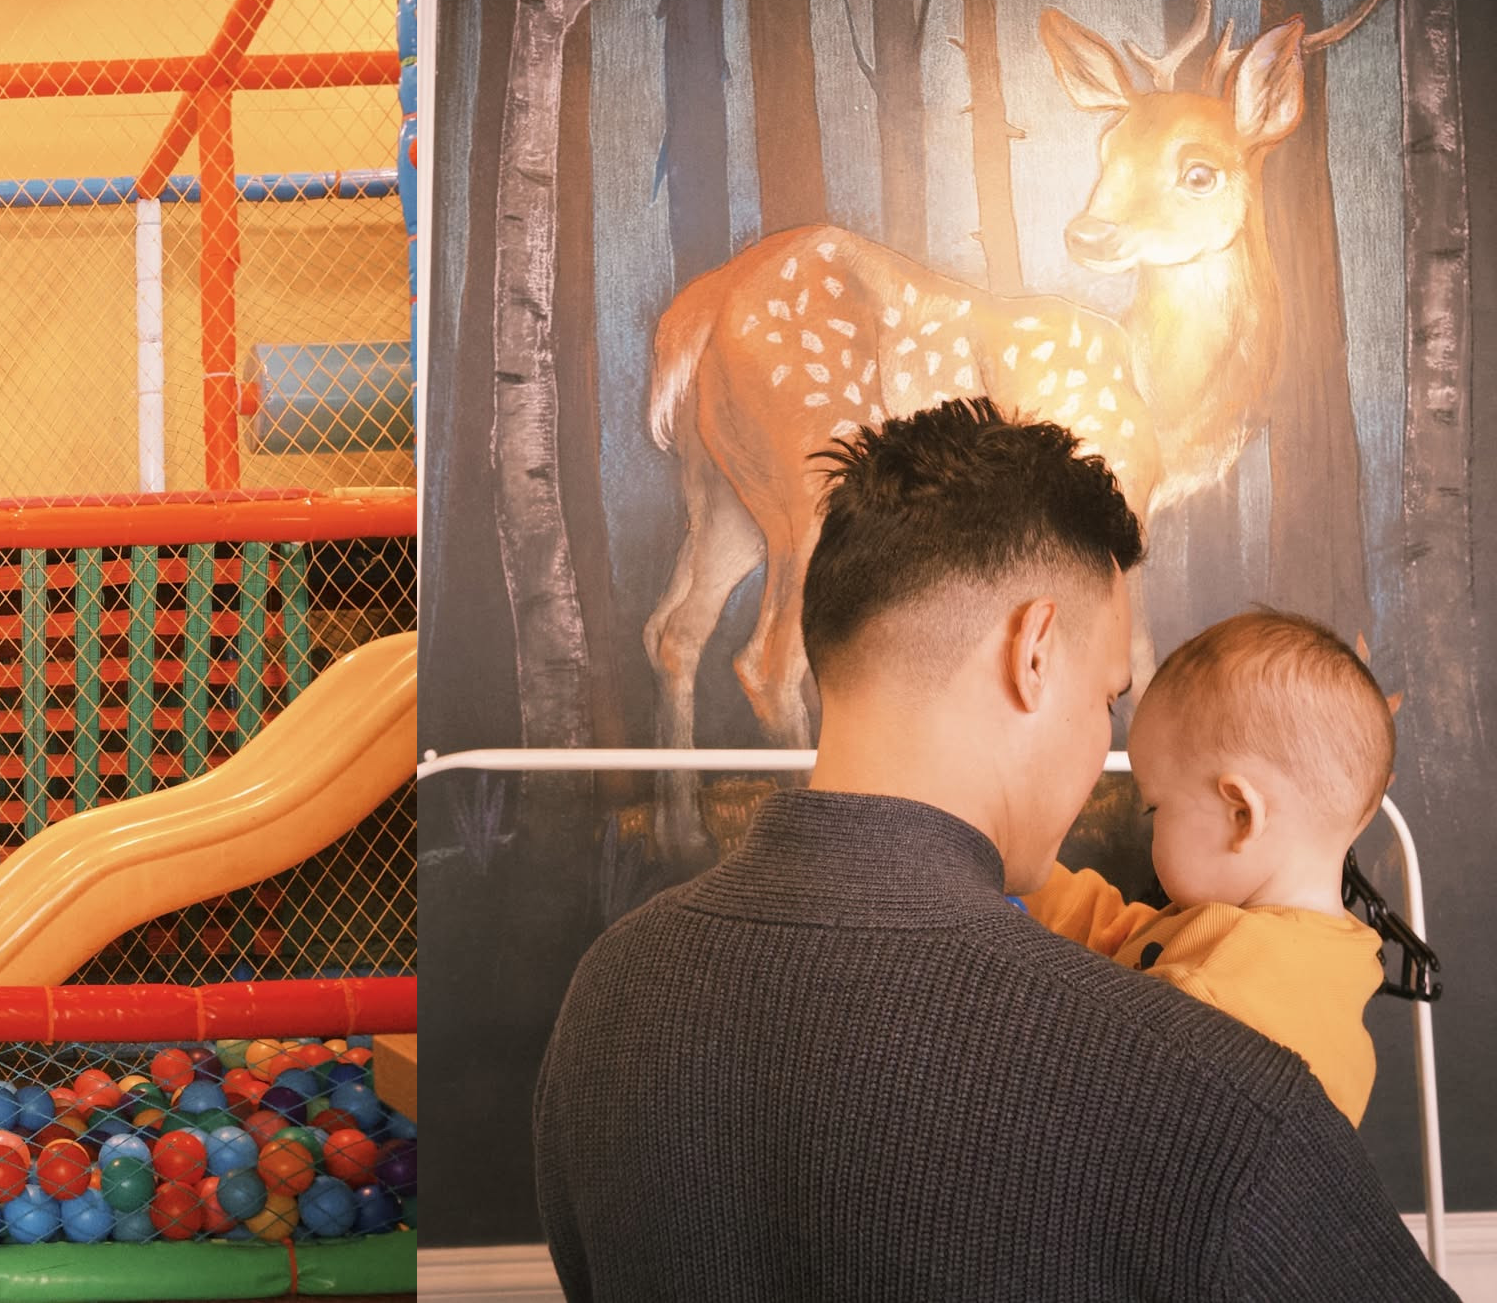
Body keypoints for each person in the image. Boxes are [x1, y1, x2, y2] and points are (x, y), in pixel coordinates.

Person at [532, 398, 1452, 1301]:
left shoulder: (608, 994)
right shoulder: (1218, 1097)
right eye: (1108, 699)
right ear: (1034, 652)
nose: (1106, 751)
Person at [1026, 611, 1393, 1125]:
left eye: (1155, 808)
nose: (1150, 825)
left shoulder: (1223, 1001)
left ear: (1241, 816)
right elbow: (1122, 934)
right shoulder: (1301, 953)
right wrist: (1022, 875)